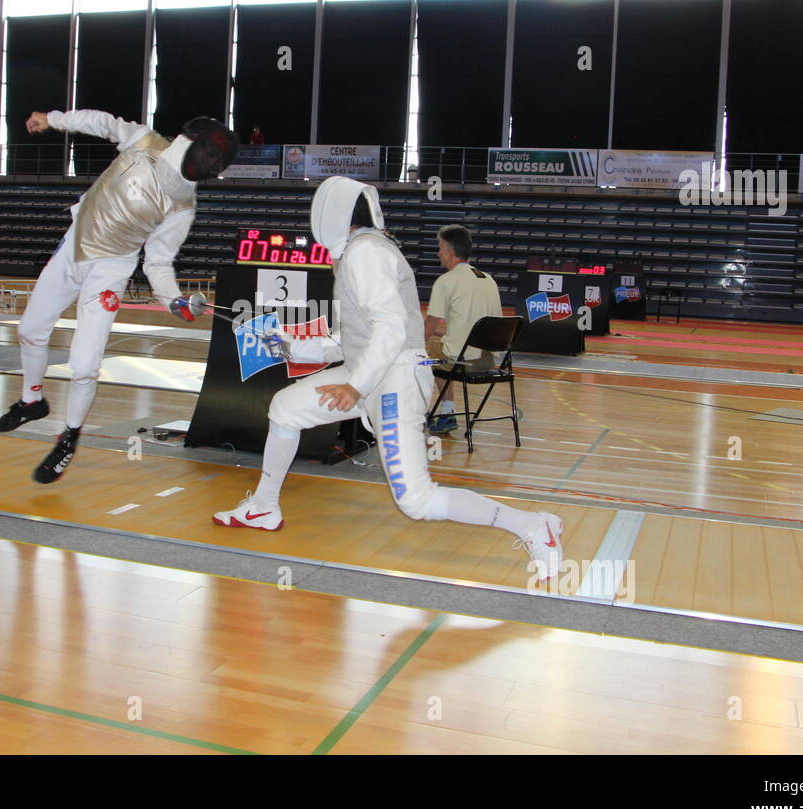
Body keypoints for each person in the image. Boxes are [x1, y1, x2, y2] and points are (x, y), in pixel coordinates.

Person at [212, 177, 564, 581]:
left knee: (417, 500)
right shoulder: (355, 254)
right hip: (370, 372)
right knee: (286, 408)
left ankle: (534, 525)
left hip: (393, 377)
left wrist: (354, 386)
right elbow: (348, 341)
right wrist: (288, 344)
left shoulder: (366, 253)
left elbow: (392, 328)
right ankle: (263, 505)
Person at [0, 108, 237, 484]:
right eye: (211, 154)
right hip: (73, 247)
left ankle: (69, 437)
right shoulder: (144, 142)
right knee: (29, 331)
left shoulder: (183, 207)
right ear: (189, 143)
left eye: (219, 161)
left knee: (86, 365)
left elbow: (158, 261)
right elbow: (101, 123)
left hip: (112, 269)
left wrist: (173, 299)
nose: (212, 164)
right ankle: (32, 401)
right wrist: (52, 119)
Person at [424, 224, 503, 434]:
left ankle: (440, 412)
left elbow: (428, 327)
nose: (438, 253)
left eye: (440, 248)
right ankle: (442, 411)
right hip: (487, 360)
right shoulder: (488, 279)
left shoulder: (446, 281)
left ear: (450, 251)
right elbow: (471, 329)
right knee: (437, 345)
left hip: (462, 361)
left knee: (421, 352)